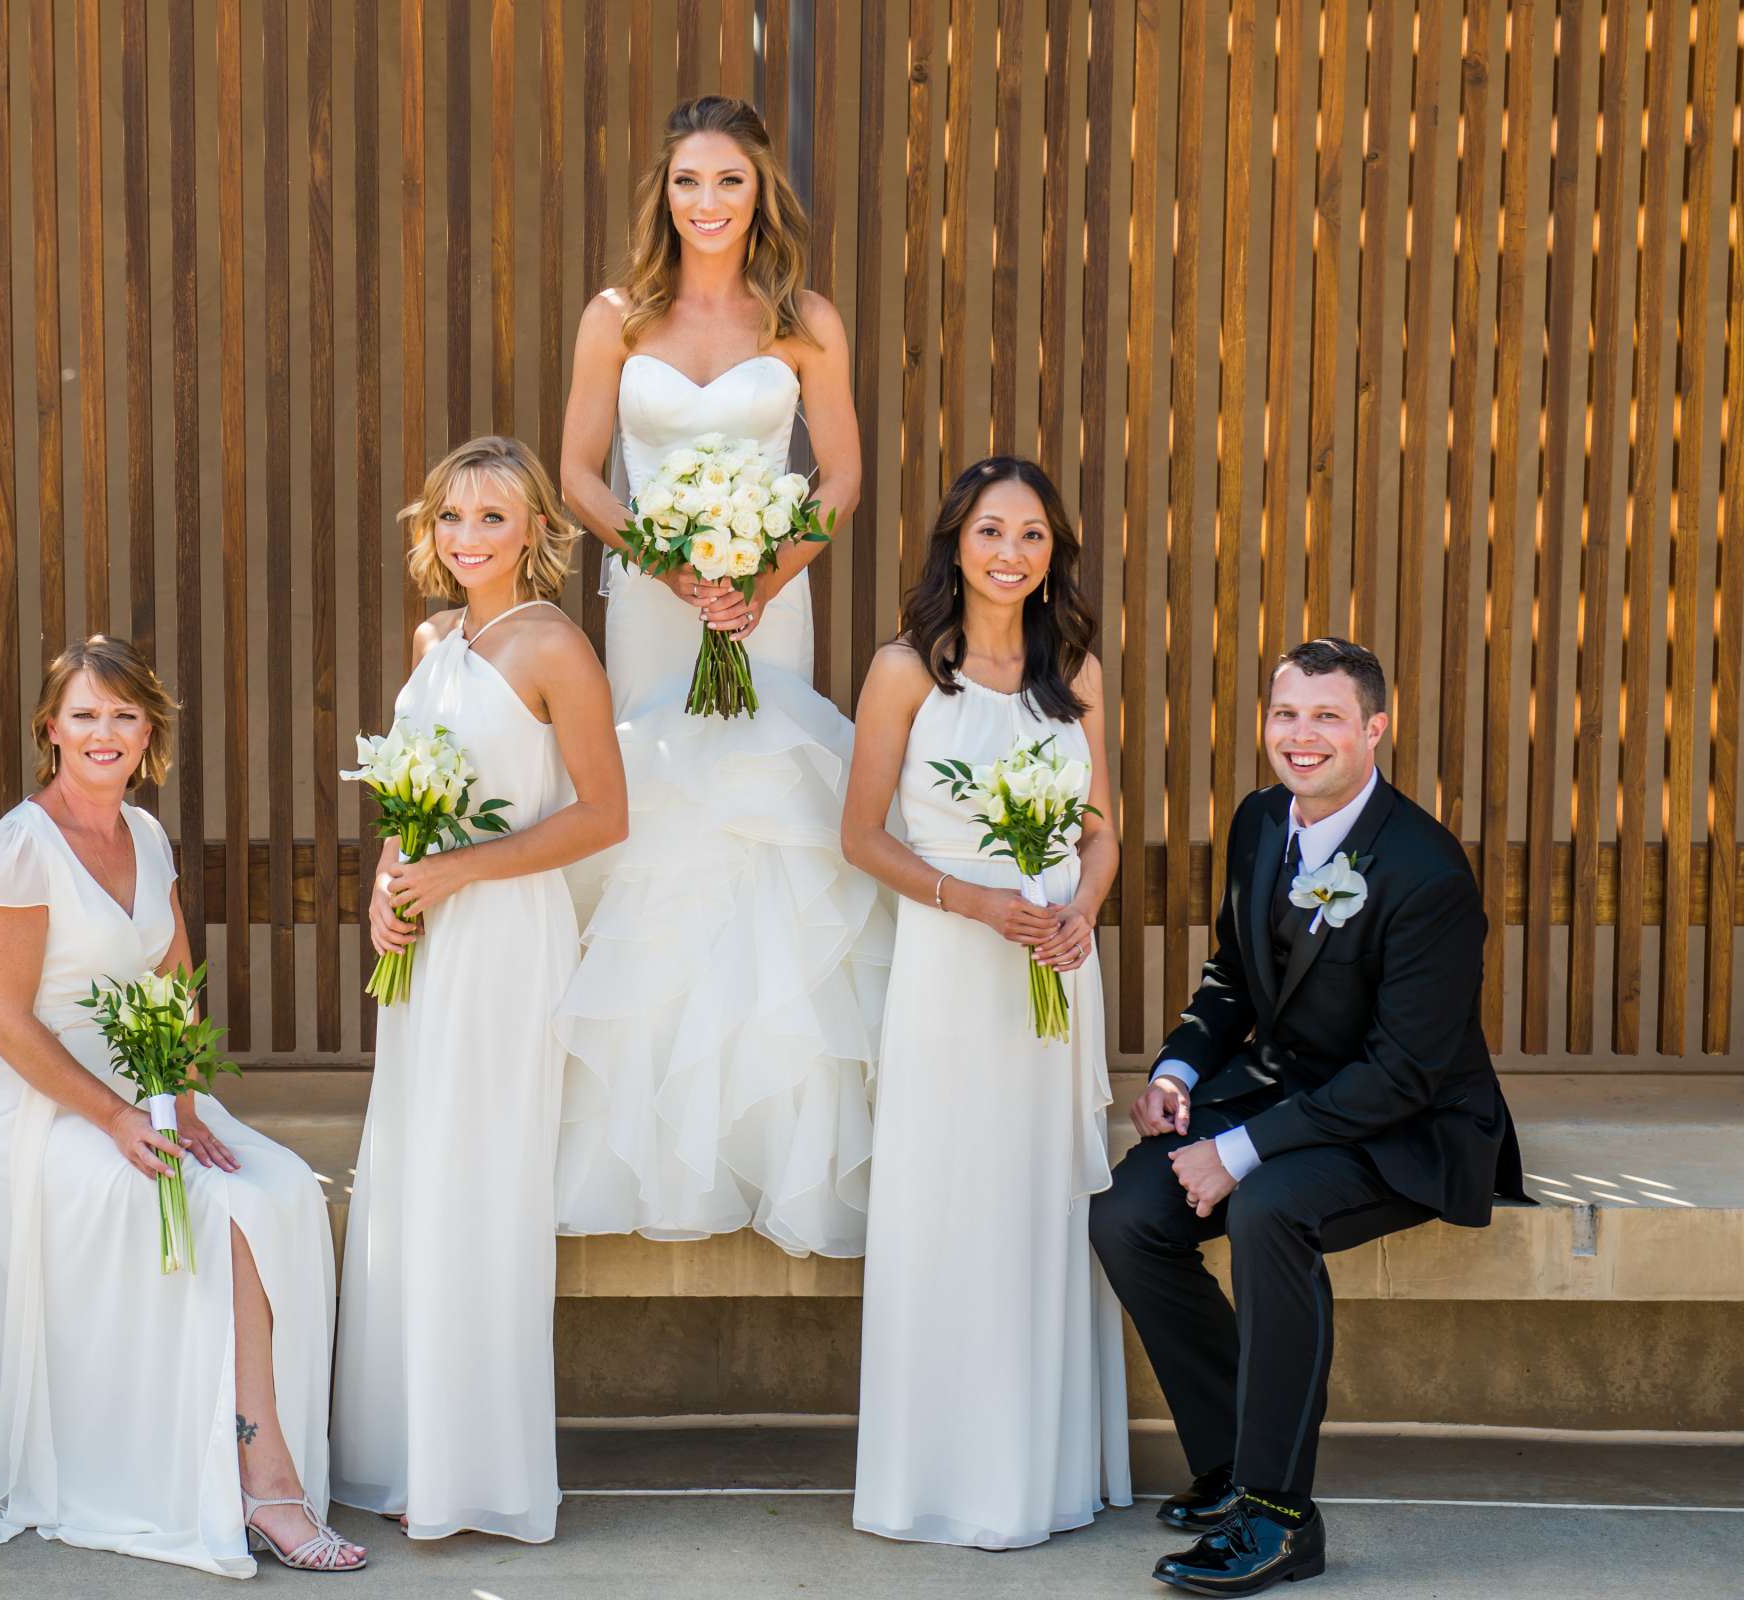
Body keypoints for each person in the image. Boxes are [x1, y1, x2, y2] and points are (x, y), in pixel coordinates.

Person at [1089, 636, 1525, 1595]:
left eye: (1327, 716)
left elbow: (1406, 1071)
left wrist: (1236, 1151)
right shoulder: (1257, 822)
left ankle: (1278, 1518)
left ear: (1375, 728)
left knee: (1266, 1209)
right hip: (1288, 1094)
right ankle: (1233, 1463)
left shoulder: (1428, 873)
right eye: (1287, 713)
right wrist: (1178, 1069)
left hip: (1411, 1125)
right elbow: (1233, 979)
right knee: (1125, 1214)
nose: (1302, 735)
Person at [552, 94, 890, 1257]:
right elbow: (578, 470)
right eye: (689, 182)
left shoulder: (805, 321)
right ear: (665, 195)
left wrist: (760, 571)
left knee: (760, 830)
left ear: (761, 196)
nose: (707, 203)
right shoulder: (616, 318)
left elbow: (840, 476)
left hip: (766, 605)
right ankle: (643, 1145)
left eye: (729, 183)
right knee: (656, 830)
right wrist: (660, 557)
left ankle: (773, 1143)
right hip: (651, 610)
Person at [0, 636, 365, 1576]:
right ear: (50, 728)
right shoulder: (18, 846)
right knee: (220, 1213)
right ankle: (264, 1486)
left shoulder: (144, 834)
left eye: (124, 715)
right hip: (39, 1108)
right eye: (85, 715)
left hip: (148, 1086)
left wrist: (179, 1099)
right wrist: (116, 1117)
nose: (105, 733)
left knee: (284, 1189)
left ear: (149, 730)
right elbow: (7, 1024)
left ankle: (250, 1461)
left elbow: (175, 988)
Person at [332, 437, 627, 1543]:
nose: (468, 539)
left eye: (493, 519)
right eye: (452, 517)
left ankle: (482, 1469)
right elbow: (413, 799)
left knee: (481, 1181)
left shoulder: (554, 644)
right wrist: (388, 881)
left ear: (536, 531)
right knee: (415, 1173)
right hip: (429, 943)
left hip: (506, 938)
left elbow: (604, 814)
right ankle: (415, 1448)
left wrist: (455, 872)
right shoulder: (435, 637)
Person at [841, 457, 1131, 1549]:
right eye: (992, 532)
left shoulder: (1077, 669)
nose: (1012, 554)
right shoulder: (906, 670)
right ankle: (937, 1477)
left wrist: (1081, 911)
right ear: (955, 541)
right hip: (951, 965)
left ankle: (1040, 1472)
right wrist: (972, 898)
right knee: (950, 1197)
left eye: (1034, 537)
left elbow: (1101, 823)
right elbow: (860, 834)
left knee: (1037, 1197)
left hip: (1053, 965)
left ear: (1055, 553)